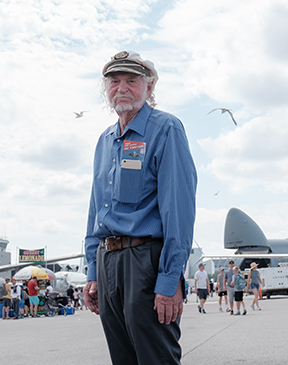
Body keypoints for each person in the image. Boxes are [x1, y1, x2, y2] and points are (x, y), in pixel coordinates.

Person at [83, 50, 197, 365]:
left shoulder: (166, 129)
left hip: (145, 262)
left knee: (155, 358)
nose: (122, 88)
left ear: (149, 87)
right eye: (114, 81)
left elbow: (179, 210)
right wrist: (93, 271)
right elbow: (96, 210)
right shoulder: (105, 140)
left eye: (131, 80)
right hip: (108, 262)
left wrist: (170, 278)